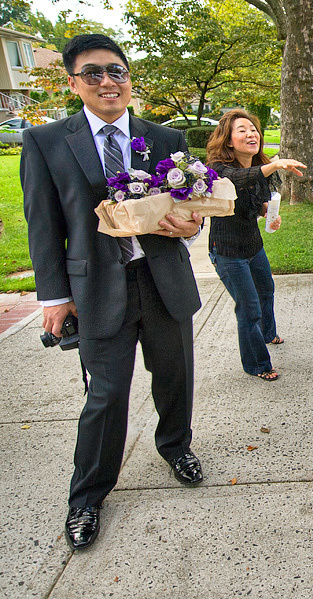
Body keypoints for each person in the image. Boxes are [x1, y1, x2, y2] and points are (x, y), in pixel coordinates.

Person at [21, 34, 205, 550]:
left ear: (129, 78)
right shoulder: (46, 142)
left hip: (161, 279)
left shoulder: (165, 138)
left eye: (116, 71)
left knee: (176, 376)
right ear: (73, 82)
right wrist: (54, 296)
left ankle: (175, 446)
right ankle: (87, 496)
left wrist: (188, 228)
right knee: (104, 398)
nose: (108, 81)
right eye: (94, 73)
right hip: (97, 287)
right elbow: (42, 225)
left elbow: (193, 210)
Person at [205, 110, 306, 381]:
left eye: (253, 129)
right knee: (249, 308)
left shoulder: (258, 168)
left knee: (266, 291)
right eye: (242, 130)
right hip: (227, 251)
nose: (252, 134)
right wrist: (274, 164)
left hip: (252, 245)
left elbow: (254, 199)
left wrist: (268, 212)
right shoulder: (218, 168)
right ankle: (257, 365)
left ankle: (268, 333)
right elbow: (237, 181)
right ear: (228, 140)